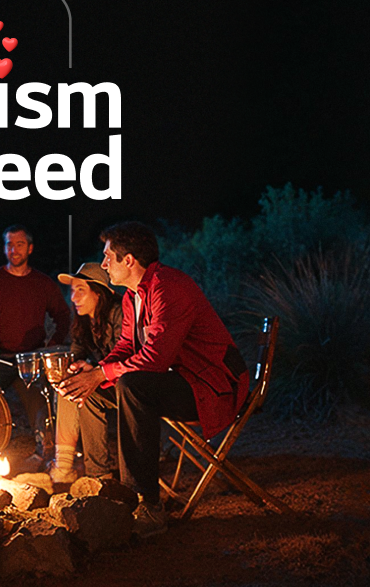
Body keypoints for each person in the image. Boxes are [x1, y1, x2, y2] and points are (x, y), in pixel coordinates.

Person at [56, 221, 249, 537]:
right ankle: (102, 484)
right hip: (181, 379)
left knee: (133, 386)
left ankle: (145, 503)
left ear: (128, 260)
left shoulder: (167, 287)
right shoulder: (134, 295)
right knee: (90, 391)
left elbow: (154, 360)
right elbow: (127, 347)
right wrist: (94, 373)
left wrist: (102, 373)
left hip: (212, 386)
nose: (104, 265)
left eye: (108, 258)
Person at [0, 225, 74, 453]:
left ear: (30, 249)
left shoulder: (42, 283)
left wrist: (53, 344)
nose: (14, 250)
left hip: (31, 358)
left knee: (42, 407)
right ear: (4, 249)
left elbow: (63, 315)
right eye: (9, 244)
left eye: (20, 244)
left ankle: (47, 453)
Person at [49, 262, 124, 484]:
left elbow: (126, 355)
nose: (73, 298)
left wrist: (94, 368)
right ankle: (67, 467)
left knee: (83, 388)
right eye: (72, 291)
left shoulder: (120, 313)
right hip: (106, 381)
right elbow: (76, 353)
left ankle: (97, 473)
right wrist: (70, 367)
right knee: (69, 384)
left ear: (99, 293)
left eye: (80, 290)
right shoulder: (83, 321)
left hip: (129, 384)